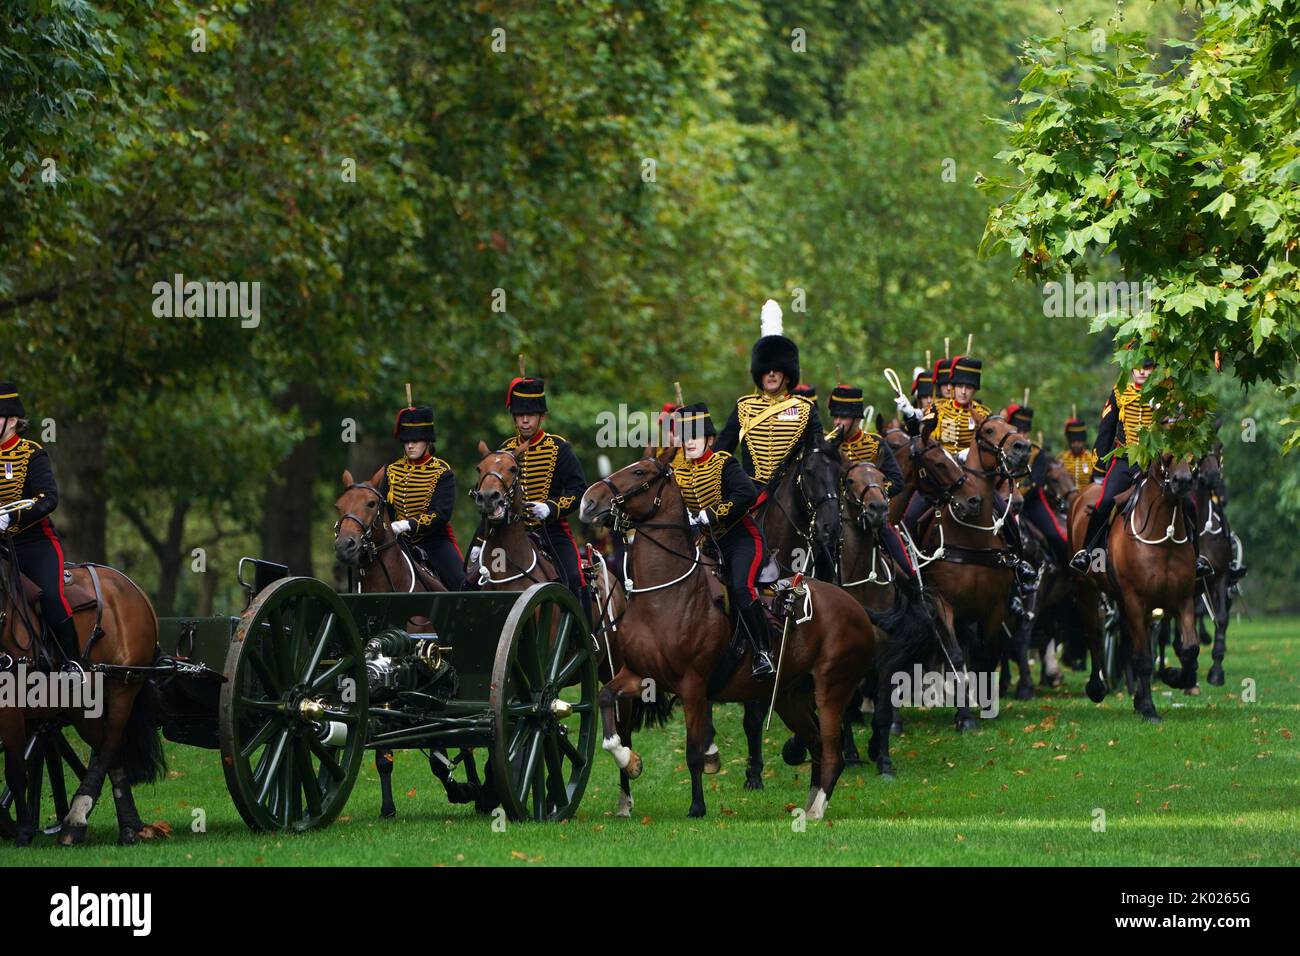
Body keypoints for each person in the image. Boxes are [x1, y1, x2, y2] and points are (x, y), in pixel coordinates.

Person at [1070, 359, 1213, 577]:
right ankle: (1087, 552)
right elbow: (1106, 431)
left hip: (1157, 462)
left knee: (1189, 504)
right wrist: (1099, 469)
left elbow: (1179, 430)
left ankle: (1196, 559)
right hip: (1126, 461)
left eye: (1148, 367)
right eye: (1138, 367)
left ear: (1155, 369)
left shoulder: (1167, 393)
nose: (1142, 372)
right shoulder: (1119, 392)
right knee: (1105, 501)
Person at [675, 402, 774, 678]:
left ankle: (763, 652)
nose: (689, 443)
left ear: (708, 439)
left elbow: (747, 495)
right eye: (685, 438)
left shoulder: (723, 463)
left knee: (742, 589)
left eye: (694, 437)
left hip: (741, 540)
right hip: (708, 545)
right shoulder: (680, 472)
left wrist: (713, 514)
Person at [496, 376, 592, 619]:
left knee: (573, 576)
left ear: (541, 417)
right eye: (519, 415)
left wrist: (551, 508)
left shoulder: (559, 447)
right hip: (510, 532)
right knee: (474, 576)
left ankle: (585, 637)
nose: (525, 420)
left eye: (531, 414)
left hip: (551, 530)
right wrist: (478, 542)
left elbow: (578, 491)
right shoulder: (505, 450)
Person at [0, 382, 79, 669]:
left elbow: (48, 499)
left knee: (52, 597)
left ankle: (72, 664)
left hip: (35, 545)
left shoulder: (31, 453)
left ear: (11, 421)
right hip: (2, 549)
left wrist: (12, 517)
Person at [714, 299, 822, 501]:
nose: (771, 373)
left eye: (777, 369)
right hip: (750, 494)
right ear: (759, 374)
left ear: (788, 375)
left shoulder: (805, 409)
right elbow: (721, 452)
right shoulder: (744, 407)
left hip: (795, 496)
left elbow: (818, 454)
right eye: (765, 369)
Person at [827, 383, 919, 594]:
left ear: (857, 419)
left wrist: (872, 492)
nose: (838, 422)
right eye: (836, 417)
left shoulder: (875, 444)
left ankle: (915, 595)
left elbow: (896, 481)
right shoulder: (827, 445)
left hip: (873, 520)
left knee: (905, 569)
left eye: (843, 417)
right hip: (835, 519)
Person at [377, 403, 464, 589]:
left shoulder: (442, 472)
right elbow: (384, 508)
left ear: (427, 441)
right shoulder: (392, 470)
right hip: (398, 542)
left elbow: (441, 514)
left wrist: (409, 524)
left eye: (415, 440)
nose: (410, 445)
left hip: (433, 542)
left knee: (461, 582)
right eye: (406, 441)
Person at [1006, 402, 1070, 567]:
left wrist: (1017, 495)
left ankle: (1066, 572)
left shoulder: (1036, 452)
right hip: (1005, 501)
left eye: (1025, 431)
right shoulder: (1003, 450)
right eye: (1018, 431)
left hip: (1031, 502)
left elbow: (1036, 481)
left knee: (1055, 535)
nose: (1022, 435)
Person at [1060, 416, 1097, 490]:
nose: (1076, 444)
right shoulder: (1062, 458)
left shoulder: (1091, 458)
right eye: (1073, 441)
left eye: (1079, 442)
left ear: (1083, 441)